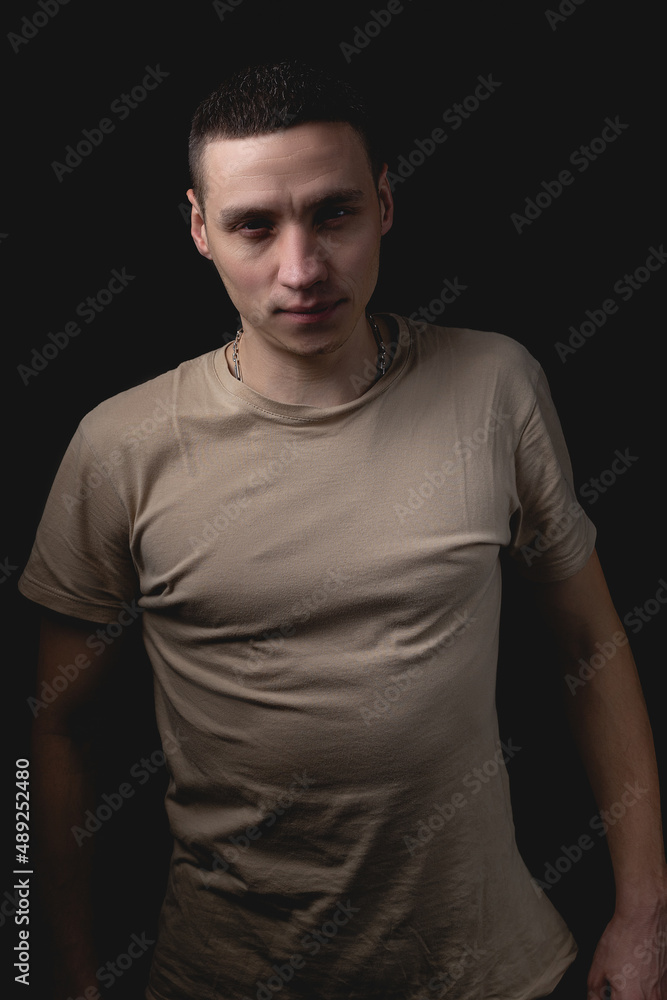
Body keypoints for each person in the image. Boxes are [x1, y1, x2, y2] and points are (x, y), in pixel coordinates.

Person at [19, 60, 666, 1000]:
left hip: (489, 975)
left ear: (384, 204)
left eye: (333, 213)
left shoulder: (495, 387)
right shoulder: (120, 447)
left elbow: (589, 645)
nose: (302, 269)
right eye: (253, 225)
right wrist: (50, 971)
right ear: (199, 228)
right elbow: (55, 731)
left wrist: (646, 912)